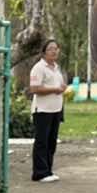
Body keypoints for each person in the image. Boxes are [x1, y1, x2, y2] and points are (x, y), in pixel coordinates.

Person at [28, 38, 67, 183]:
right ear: (44, 52)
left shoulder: (56, 68)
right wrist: (55, 89)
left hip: (55, 109)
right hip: (42, 110)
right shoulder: (39, 68)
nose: (54, 51)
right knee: (42, 142)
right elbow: (35, 88)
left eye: (56, 48)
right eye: (51, 48)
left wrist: (62, 88)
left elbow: (59, 84)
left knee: (51, 142)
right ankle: (39, 173)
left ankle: (48, 170)